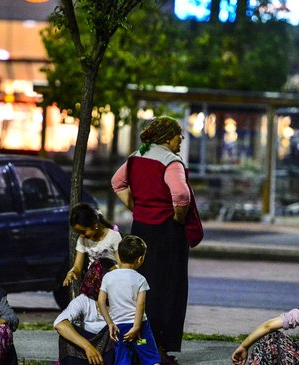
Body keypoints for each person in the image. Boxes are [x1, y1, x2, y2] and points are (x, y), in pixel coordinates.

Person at [111, 116, 194, 364]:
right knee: (167, 290)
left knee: (141, 286)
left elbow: (117, 183)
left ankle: (140, 345)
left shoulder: (136, 156)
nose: (181, 140)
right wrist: (178, 217)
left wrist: (137, 208)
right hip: (167, 232)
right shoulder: (171, 161)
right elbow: (181, 194)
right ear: (168, 136)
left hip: (141, 229)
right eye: (180, 135)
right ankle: (160, 348)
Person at [98, 235, 161, 365]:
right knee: (150, 356)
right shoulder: (140, 279)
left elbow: (101, 302)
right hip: (139, 329)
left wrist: (110, 323)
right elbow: (141, 304)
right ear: (140, 259)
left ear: (118, 256)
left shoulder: (108, 277)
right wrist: (137, 327)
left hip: (118, 327)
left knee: (122, 357)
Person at [55, 257, 118, 365]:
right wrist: (87, 347)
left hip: (112, 351)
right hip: (88, 353)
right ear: (99, 280)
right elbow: (60, 324)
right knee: (66, 338)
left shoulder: (122, 300)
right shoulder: (84, 300)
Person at [63, 203, 122, 287]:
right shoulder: (82, 240)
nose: (81, 235)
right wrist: (72, 272)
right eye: (78, 233)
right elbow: (77, 267)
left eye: (83, 231)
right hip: (93, 285)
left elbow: (122, 265)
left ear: (95, 225)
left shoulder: (113, 236)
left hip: (113, 282)